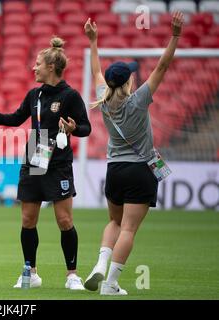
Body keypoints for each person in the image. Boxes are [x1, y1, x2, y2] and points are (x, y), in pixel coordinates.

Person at [83, 12, 184, 295]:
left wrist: (93, 42)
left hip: (114, 169)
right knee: (128, 230)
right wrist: (175, 35)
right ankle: (111, 284)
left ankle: (100, 265)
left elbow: (95, 72)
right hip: (141, 169)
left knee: (114, 222)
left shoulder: (104, 101)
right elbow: (162, 67)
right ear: (128, 82)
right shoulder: (138, 100)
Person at [0, 37, 91, 290]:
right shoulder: (34, 94)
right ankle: (30, 272)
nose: (34, 68)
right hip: (34, 156)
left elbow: (86, 127)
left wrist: (74, 128)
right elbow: (17, 119)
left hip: (59, 162)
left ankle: (72, 275)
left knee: (64, 221)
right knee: (28, 220)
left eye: (38, 64)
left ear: (51, 66)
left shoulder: (70, 95)